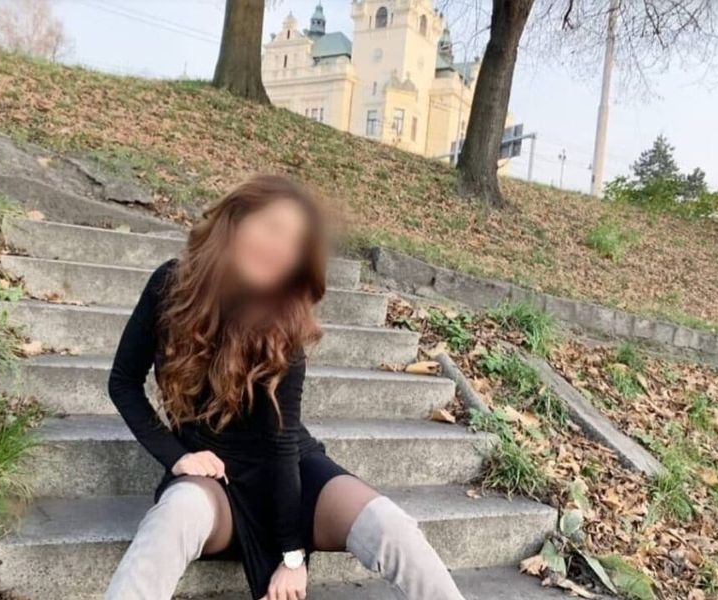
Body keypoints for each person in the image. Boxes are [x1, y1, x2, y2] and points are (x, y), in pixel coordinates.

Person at [105, 174, 465, 600]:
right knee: (175, 515)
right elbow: (123, 383)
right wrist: (178, 457)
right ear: (236, 219)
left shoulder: (284, 323)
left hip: (290, 473)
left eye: (294, 244)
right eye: (272, 227)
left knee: (390, 525)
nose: (279, 248)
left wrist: (293, 557)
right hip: (215, 481)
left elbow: (280, 446)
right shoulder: (171, 285)